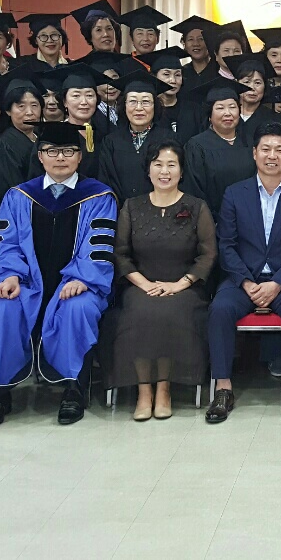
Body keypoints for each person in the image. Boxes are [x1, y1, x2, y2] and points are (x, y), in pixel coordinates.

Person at [0, 122, 118, 428]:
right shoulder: (18, 197)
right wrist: (9, 275)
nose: (60, 158)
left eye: (68, 151)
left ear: (79, 156)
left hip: (76, 283)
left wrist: (82, 279)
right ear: (40, 156)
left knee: (78, 307)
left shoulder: (98, 197)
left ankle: (73, 389)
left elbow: (99, 246)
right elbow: (6, 242)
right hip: (27, 284)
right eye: (52, 151)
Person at [206, 124, 281, 423]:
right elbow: (226, 245)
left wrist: (277, 283)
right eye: (266, 149)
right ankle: (223, 388)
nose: (272, 156)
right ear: (254, 153)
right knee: (220, 309)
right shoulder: (235, 194)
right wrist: (245, 281)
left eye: (279, 150)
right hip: (243, 279)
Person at [110, 143, 215, 421]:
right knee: (140, 312)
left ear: (181, 171)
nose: (164, 171)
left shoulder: (196, 207)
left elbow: (207, 254)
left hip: (185, 287)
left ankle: (164, 388)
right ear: (148, 170)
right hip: (140, 285)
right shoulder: (132, 206)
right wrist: (144, 284)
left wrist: (179, 284)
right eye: (158, 164)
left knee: (170, 313)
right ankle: (144, 390)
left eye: (171, 165)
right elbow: (121, 254)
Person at [95, 72, 180, 203]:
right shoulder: (111, 142)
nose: (139, 108)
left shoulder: (170, 140)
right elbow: (106, 182)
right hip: (119, 210)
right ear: (124, 105)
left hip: (160, 210)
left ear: (155, 106)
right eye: (133, 102)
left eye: (146, 102)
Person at [182, 76, 258, 216]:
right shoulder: (197, 146)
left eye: (232, 107)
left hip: (250, 216)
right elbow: (194, 191)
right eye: (220, 108)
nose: (227, 113)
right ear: (210, 115)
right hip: (212, 220)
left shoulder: (250, 143)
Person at [0, 70, 44, 217]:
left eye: (35, 105)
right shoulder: (1, 148)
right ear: (8, 111)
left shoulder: (43, 140)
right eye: (21, 106)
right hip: (18, 219)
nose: (29, 112)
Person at [172, 16, 218, 83]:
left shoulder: (221, 71)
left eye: (201, 39)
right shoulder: (180, 74)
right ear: (184, 43)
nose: (196, 44)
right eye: (190, 39)